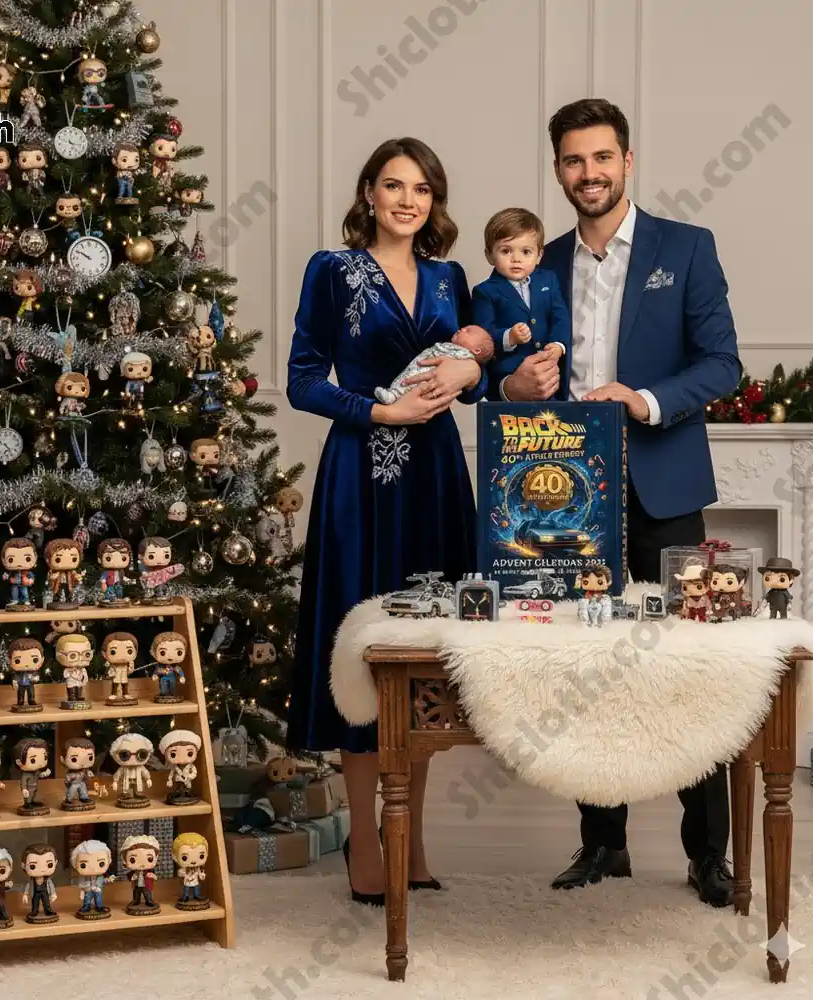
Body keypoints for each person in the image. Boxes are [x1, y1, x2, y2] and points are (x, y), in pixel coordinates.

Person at [487, 98, 741, 907]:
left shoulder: (686, 248)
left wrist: (643, 399)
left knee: (689, 669)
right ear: (557, 169)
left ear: (627, 161)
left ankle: (707, 854)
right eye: (571, 161)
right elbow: (502, 370)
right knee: (587, 664)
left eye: (601, 159)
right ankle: (603, 843)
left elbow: (722, 364)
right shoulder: (539, 262)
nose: (587, 174)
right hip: (567, 497)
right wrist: (509, 383)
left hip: (664, 484)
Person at [285, 137, 487, 907]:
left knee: (424, 650)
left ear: (434, 202)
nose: (408, 199)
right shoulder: (331, 271)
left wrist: (475, 368)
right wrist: (380, 410)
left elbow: (471, 378)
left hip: (435, 473)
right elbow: (302, 378)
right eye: (393, 185)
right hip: (359, 476)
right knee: (361, 649)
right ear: (368, 192)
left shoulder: (449, 276)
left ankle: (414, 832)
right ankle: (364, 840)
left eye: (423, 189)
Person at [474, 207, 571, 399]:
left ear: (539, 255)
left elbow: (560, 316)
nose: (516, 259)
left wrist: (559, 344)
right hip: (511, 374)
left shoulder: (548, 281)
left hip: (551, 375)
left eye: (526, 251)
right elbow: (481, 335)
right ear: (489, 255)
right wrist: (508, 337)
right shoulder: (485, 292)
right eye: (506, 251)